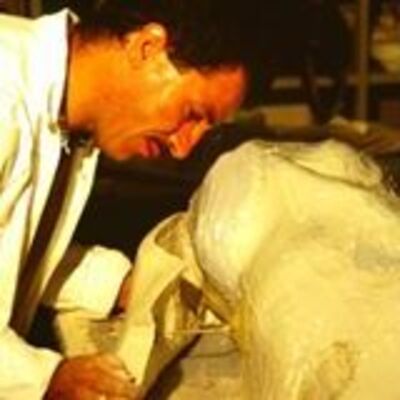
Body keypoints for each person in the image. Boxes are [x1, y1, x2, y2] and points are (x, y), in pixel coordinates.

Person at [0, 0, 271, 398]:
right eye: (192, 113)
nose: (183, 148)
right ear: (146, 47)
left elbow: (13, 237)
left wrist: (118, 284)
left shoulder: (68, 118)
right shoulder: (5, 99)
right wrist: (42, 377)